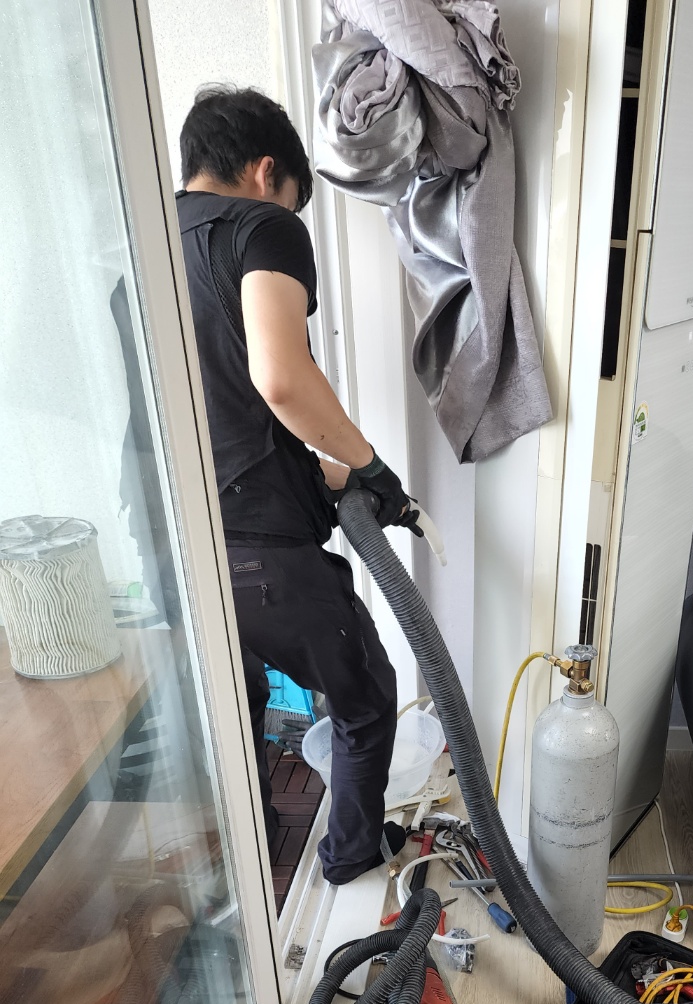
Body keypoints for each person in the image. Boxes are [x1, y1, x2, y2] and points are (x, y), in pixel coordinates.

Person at [176, 85, 419, 883]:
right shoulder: (263, 227)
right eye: (289, 198)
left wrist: (342, 479)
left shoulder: (146, 246)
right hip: (259, 551)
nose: (287, 215)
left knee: (234, 702)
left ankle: (245, 864)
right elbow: (280, 380)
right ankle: (351, 859)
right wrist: (373, 466)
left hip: (174, 542)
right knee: (365, 696)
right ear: (264, 171)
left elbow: (224, 424)